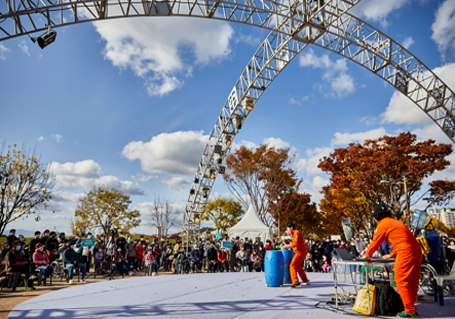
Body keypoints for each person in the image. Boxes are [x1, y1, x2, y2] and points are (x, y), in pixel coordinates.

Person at [363, 204, 422, 319]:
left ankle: (410, 311)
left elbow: (376, 242)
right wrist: (391, 254)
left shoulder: (383, 224)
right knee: (412, 280)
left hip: (406, 252)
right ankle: (411, 307)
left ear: (376, 216)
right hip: (416, 250)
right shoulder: (394, 222)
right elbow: (403, 240)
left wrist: (366, 256)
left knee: (401, 280)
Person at [281, 222, 310, 287]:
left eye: (287, 228)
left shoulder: (296, 233)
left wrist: (287, 246)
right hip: (300, 251)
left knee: (292, 265)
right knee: (298, 266)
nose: (287, 230)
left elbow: (295, 244)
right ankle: (305, 280)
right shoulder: (294, 234)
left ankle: (296, 283)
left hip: (300, 252)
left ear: (291, 228)